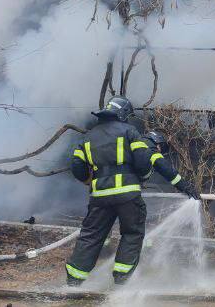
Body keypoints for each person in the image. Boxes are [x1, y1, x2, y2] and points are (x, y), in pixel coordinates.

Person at [65, 96, 153, 286]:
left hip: (100, 196)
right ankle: (122, 278)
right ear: (122, 113)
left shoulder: (88, 136)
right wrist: (143, 177)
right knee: (132, 233)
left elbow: (76, 165)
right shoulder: (130, 131)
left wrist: (88, 180)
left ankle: (74, 280)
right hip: (128, 194)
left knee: (91, 235)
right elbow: (143, 160)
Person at [140, 131, 201, 200]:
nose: (159, 152)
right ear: (158, 143)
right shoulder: (149, 148)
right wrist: (186, 186)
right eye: (160, 150)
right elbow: (165, 168)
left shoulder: (136, 144)